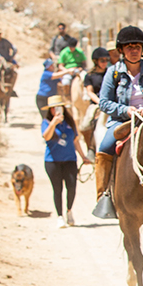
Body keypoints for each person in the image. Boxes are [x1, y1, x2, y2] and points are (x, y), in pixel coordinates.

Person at [94, 26, 143, 215]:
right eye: (129, 47)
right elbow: (103, 102)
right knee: (105, 148)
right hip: (123, 121)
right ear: (121, 50)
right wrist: (125, 110)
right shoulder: (113, 73)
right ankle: (103, 195)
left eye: (137, 46)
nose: (134, 50)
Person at [41, 95, 92, 228]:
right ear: (50, 110)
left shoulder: (70, 122)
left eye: (59, 107)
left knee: (72, 187)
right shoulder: (46, 122)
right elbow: (46, 136)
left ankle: (69, 211)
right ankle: (59, 216)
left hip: (70, 159)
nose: (56, 110)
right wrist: (54, 123)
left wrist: (83, 156)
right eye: (53, 108)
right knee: (57, 189)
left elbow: (75, 140)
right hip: (53, 161)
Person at [80, 47, 111, 156]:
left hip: (111, 102)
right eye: (102, 60)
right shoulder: (89, 76)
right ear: (95, 61)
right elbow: (90, 92)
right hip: (96, 103)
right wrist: (100, 102)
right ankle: (91, 148)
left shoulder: (111, 73)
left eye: (107, 60)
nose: (105, 63)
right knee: (85, 126)